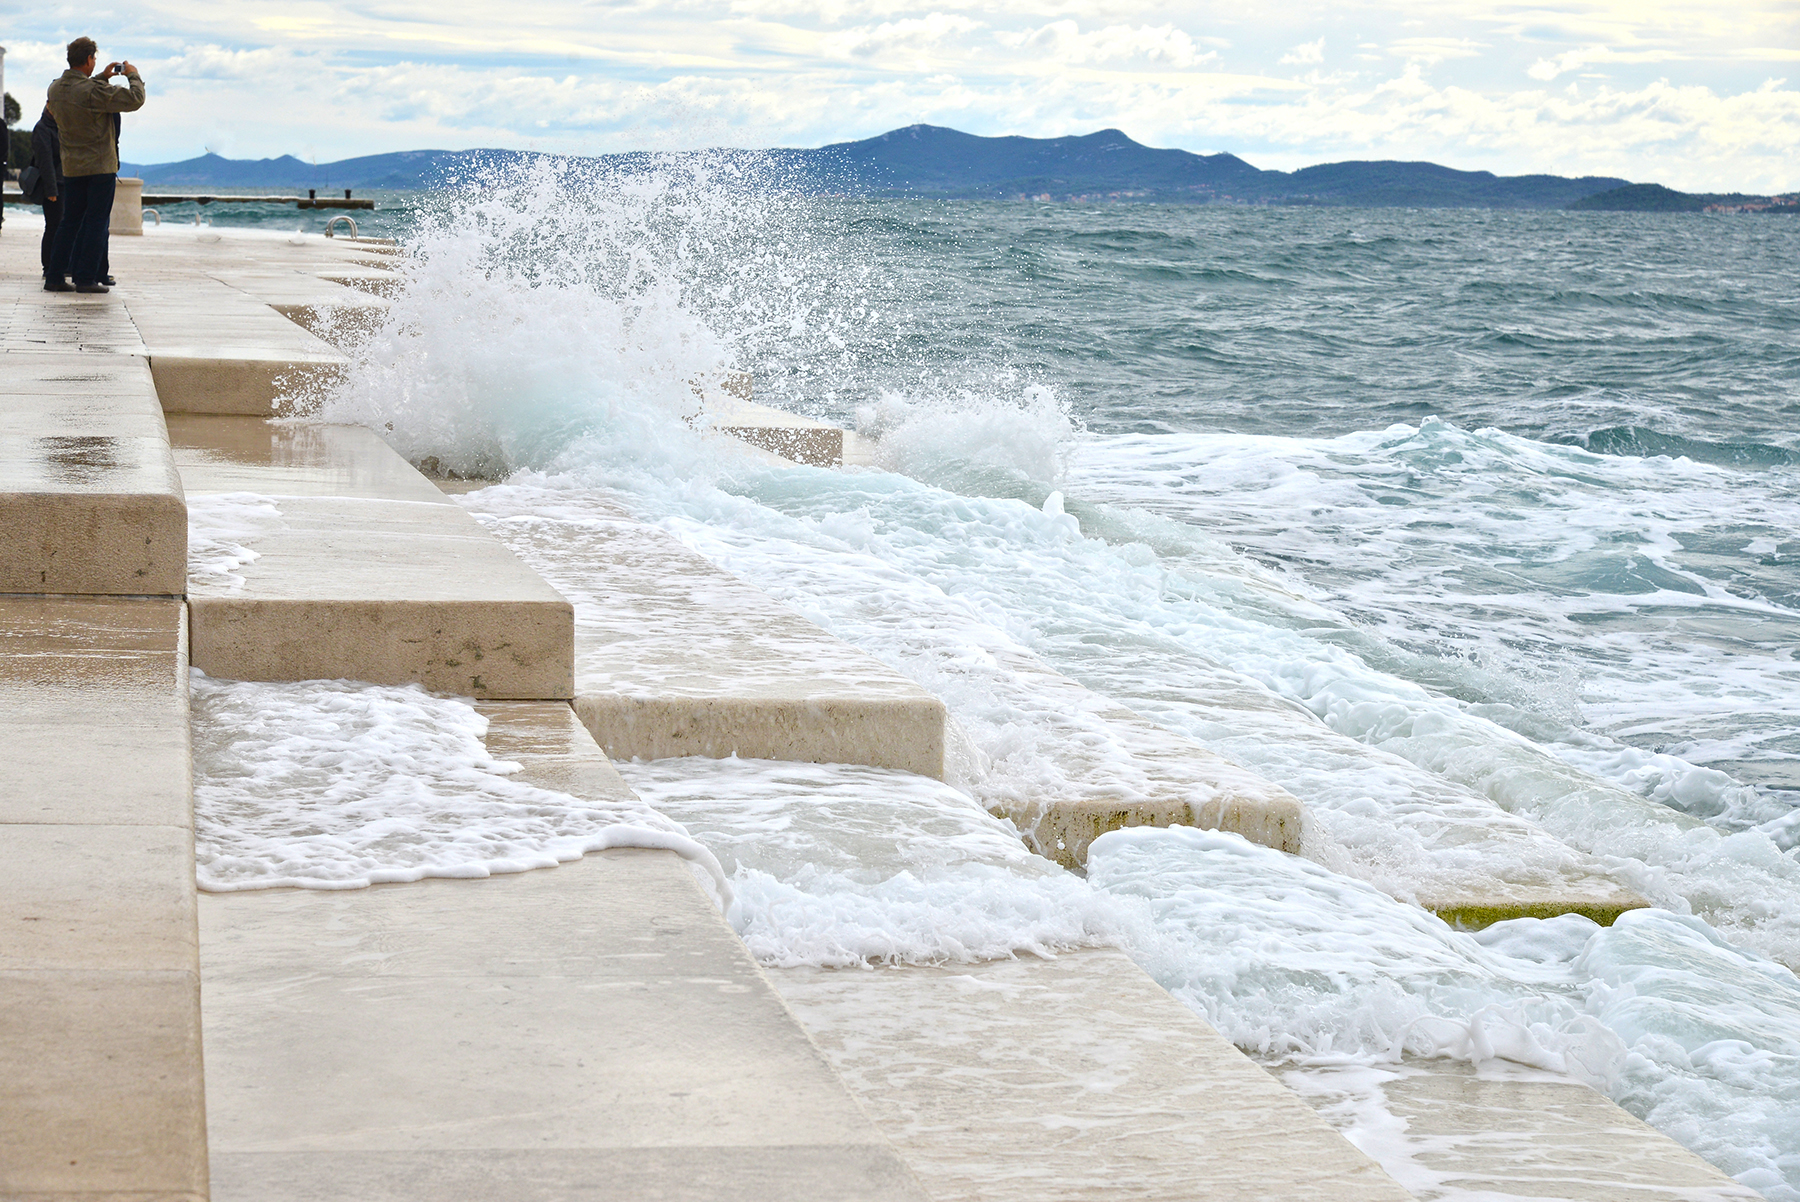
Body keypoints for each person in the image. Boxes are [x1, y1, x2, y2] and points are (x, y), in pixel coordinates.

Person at [44, 37, 143, 294]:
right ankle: (85, 279)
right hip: (99, 167)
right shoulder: (91, 91)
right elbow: (135, 99)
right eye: (94, 60)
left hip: (72, 167)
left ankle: (54, 276)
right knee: (97, 223)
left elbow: (81, 91)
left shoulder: (54, 89)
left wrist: (101, 76)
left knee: (69, 222)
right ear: (88, 59)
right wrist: (133, 75)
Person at [21, 107, 64, 279]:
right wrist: (51, 189)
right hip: (53, 185)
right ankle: (48, 266)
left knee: (61, 226)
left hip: (64, 182)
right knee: (53, 226)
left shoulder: (61, 126)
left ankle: (61, 264)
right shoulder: (42, 128)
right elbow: (45, 161)